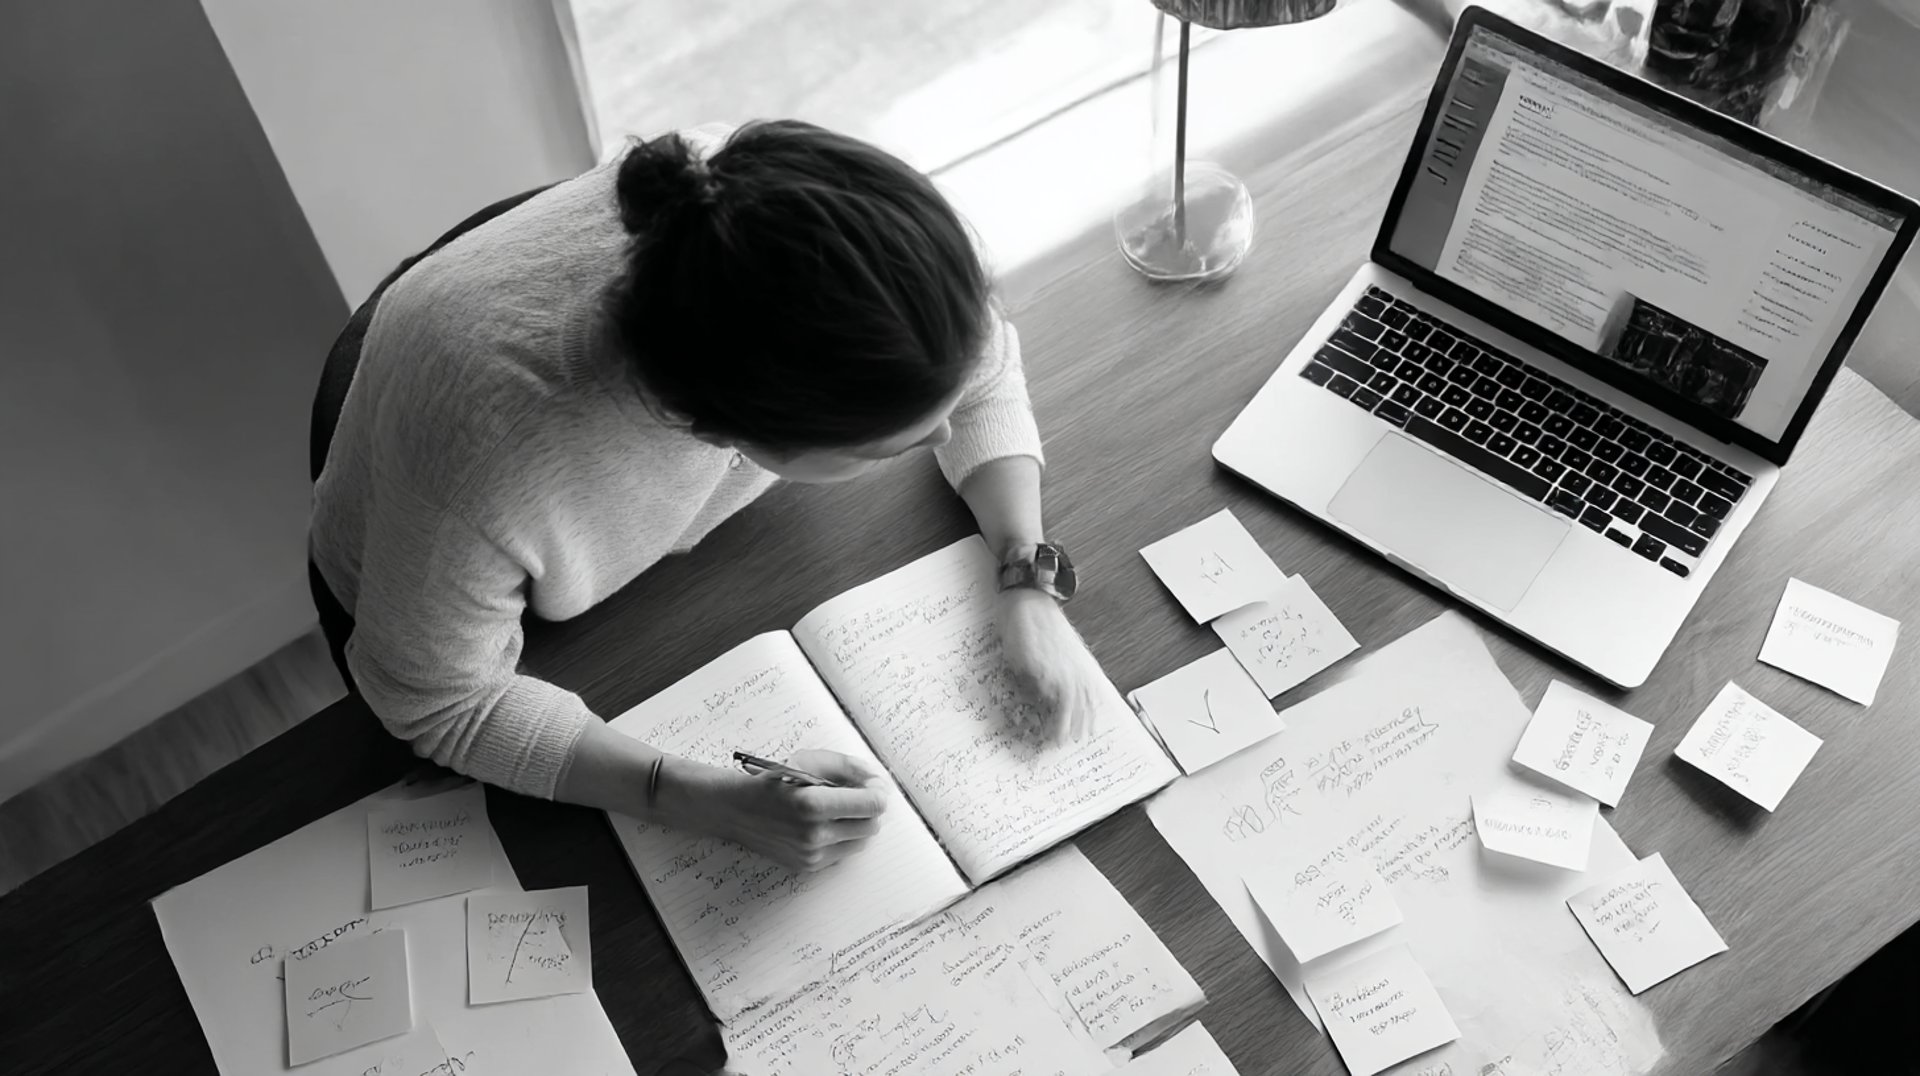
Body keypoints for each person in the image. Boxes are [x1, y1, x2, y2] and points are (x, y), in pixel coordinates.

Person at [309, 120, 1106, 874]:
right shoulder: (487, 454)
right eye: (887, 445)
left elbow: (982, 371)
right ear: (732, 436)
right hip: (431, 587)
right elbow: (442, 701)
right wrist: (695, 799)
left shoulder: (793, 211)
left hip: (678, 546)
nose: (939, 440)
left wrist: (1025, 577)